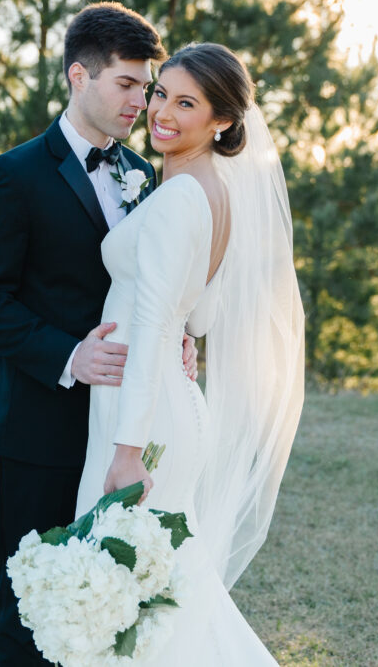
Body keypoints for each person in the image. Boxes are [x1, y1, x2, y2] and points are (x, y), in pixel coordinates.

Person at [0, 2, 197, 667]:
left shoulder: (145, 176)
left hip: (121, 421)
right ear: (78, 76)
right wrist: (69, 355)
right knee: (29, 590)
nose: (140, 103)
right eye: (126, 85)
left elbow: (150, 286)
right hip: (40, 415)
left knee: (105, 590)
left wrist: (178, 333)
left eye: (146, 88)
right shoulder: (12, 175)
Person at [76, 43, 306, 664]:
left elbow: (153, 322)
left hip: (142, 420)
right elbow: (196, 316)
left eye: (187, 103)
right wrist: (182, 330)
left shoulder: (181, 195)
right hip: (166, 407)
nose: (163, 113)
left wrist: (127, 454)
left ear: (223, 121)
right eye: (160, 94)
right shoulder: (210, 188)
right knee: (160, 597)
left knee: (139, 602)